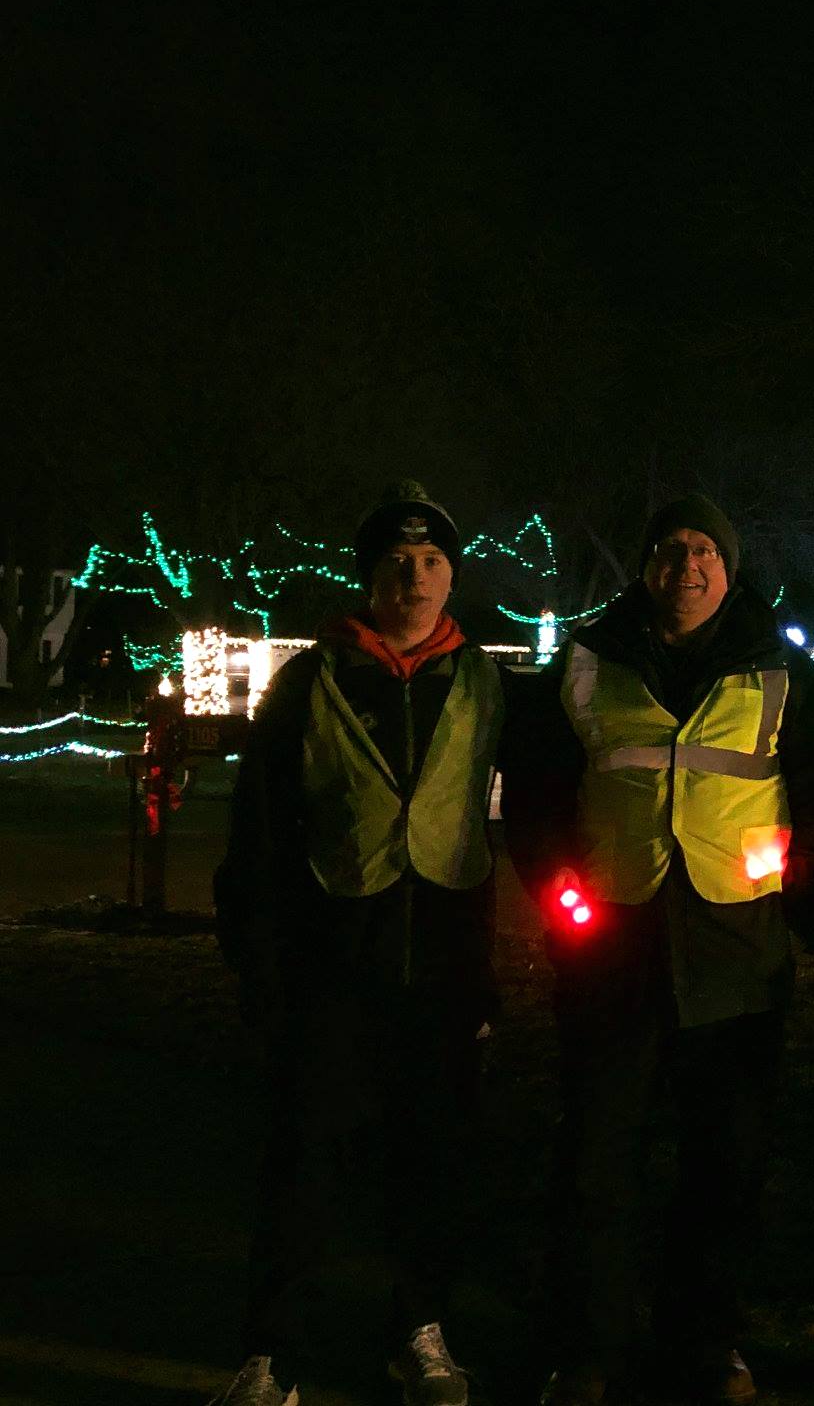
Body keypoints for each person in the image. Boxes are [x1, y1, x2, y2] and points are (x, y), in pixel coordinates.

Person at [499, 495, 814, 1406]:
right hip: (611, 943)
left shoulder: (781, 669)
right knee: (597, 1159)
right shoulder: (586, 659)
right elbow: (536, 788)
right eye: (669, 549)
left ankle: (708, 1341)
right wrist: (554, 888)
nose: (686, 565)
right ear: (644, 564)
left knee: (725, 1161)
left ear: (729, 569)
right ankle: (586, 1349)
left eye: (705, 551)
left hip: (737, 947)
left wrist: (800, 911)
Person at [211, 480, 504, 1406]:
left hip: (445, 971)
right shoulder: (313, 679)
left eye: (429, 562)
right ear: (368, 577)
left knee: (433, 1162)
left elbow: (541, 810)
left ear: (451, 578)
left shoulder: (487, 681)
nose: (412, 578)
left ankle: (419, 1330)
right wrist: (259, 966)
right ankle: (273, 1352)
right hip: (331, 965)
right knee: (303, 1164)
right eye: (394, 562)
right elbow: (256, 832)